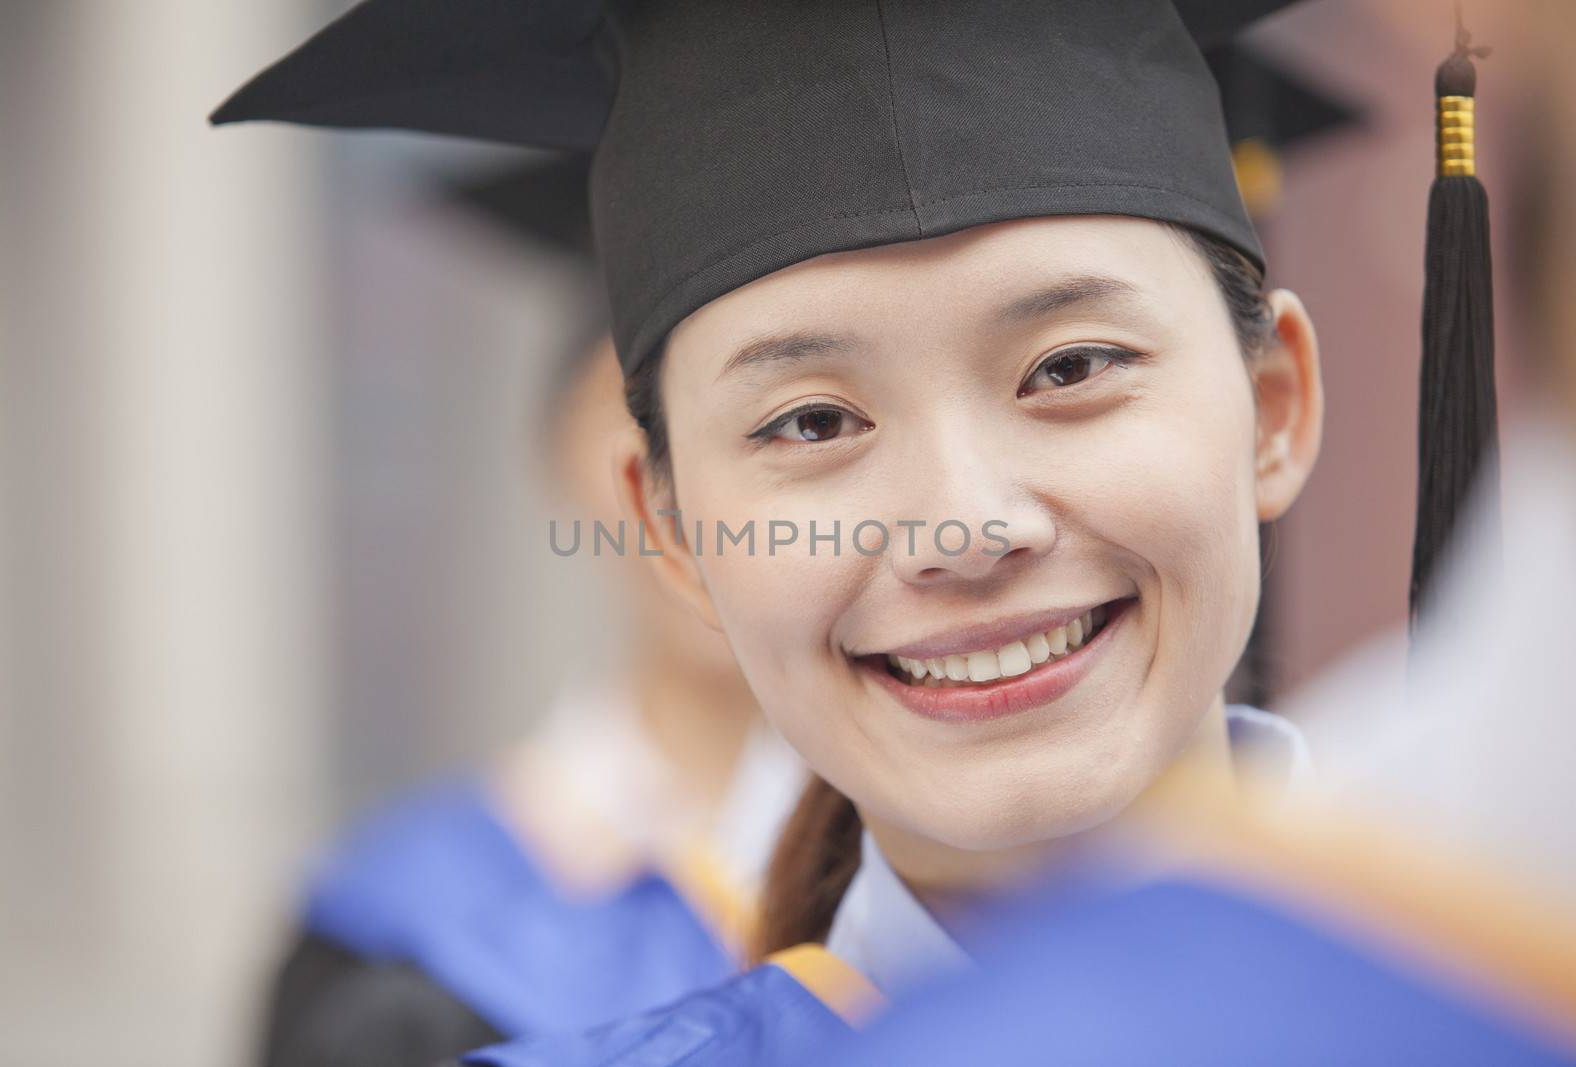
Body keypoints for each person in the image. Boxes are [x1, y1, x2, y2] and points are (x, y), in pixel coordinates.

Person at [211, 1, 1416, 1062]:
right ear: (669, 530)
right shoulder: (440, 958)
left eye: (1071, 364)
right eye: (810, 420)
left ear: (1273, 407)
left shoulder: (1514, 982)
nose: (963, 524)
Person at [253, 154, 806, 1067]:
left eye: (799, 423)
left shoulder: (995, 890)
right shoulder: (396, 924)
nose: (699, 497)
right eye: (642, 427)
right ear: (559, 455)